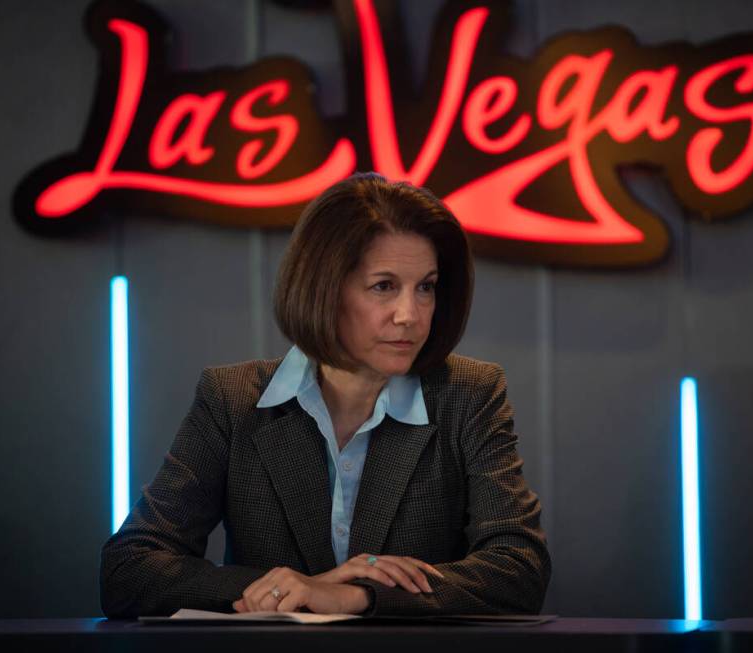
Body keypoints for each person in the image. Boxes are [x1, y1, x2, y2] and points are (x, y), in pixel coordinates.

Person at [99, 172, 551, 618]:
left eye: (426, 288)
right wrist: (286, 589)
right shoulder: (232, 400)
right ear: (323, 288)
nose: (409, 315)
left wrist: (358, 596)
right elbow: (129, 570)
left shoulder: (469, 394)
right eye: (384, 286)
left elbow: (519, 567)